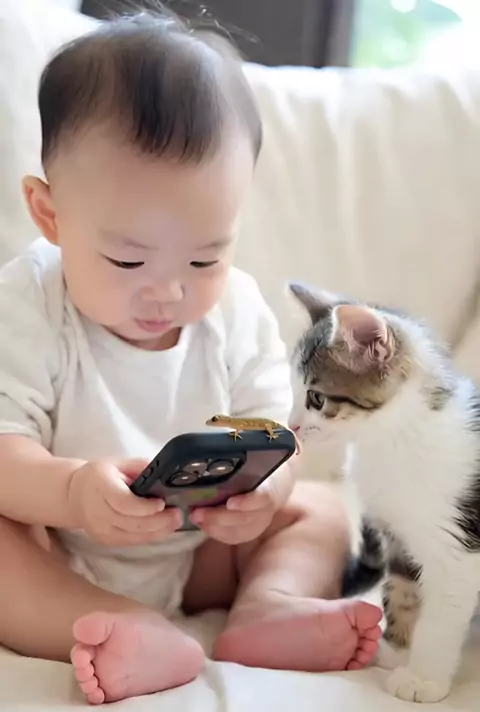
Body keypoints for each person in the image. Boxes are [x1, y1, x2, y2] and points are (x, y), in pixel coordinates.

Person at [0, 10, 382, 706]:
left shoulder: (235, 309)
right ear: (50, 214)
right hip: (58, 547)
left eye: (206, 258)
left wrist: (264, 496)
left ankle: (269, 606)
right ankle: (116, 624)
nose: (170, 290)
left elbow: (273, 437)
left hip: (201, 548)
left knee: (322, 511)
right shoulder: (28, 302)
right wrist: (71, 492)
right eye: (128, 260)